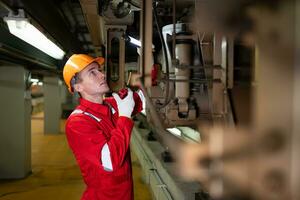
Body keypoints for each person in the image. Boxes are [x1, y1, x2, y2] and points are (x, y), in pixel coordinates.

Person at [63, 54, 144, 200]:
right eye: (92, 72)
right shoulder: (77, 122)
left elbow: (143, 99)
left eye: (99, 70)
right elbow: (109, 162)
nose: (102, 75)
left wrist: (148, 64)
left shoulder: (112, 104)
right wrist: (124, 116)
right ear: (78, 86)